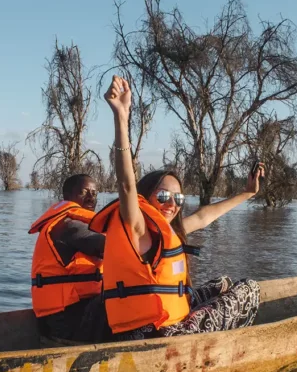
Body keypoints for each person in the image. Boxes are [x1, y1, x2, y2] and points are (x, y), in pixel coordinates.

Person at [89, 75, 265, 341]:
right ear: (146, 196)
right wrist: (121, 117)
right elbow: (126, 184)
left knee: (223, 284)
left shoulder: (168, 229)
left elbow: (206, 216)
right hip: (155, 335)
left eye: (178, 199)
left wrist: (247, 193)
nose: (172, 204)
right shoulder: (137, 226)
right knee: (250, 289)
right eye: (163, 196)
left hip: (159, 325)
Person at [29, 173, 105, 342]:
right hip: (64, 318)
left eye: (94, 193)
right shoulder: (68, 226)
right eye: (84, 192)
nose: (91, 197)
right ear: (68, 196)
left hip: (74, 310)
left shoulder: (76, 223)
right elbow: (108, 247)